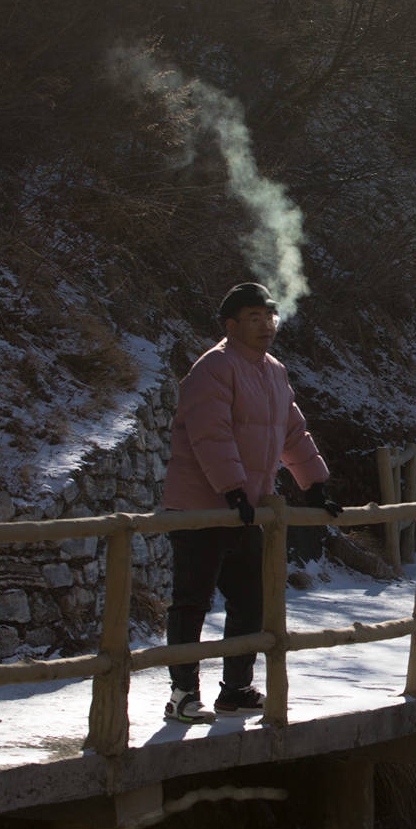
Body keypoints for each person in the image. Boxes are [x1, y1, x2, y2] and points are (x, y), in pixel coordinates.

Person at [159, 282, 343, 724]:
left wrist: (313, 483)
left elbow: (292, 432)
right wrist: (233, 488)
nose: (265, 326)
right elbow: (210, 433)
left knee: (251, 598)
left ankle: (236, 689)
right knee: (192, 601)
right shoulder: (214, 368)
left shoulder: (274, 371)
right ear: (232, 324)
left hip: (247, 508)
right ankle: (183, 693)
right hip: (201, 508)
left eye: (269, 317)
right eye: (254, 318)